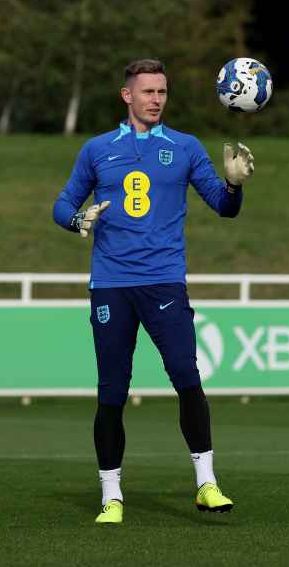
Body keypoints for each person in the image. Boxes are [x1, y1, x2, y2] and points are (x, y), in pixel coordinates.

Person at [52, 59, 253, 524]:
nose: (157, 99)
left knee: (187, 375)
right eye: (148, 91)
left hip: (164, 280)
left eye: (163, 91)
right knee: (112, 392)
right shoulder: (97, 150)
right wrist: (77, 220)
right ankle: (111, 495)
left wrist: (234, 185)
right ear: (127, 96)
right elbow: (62, 204)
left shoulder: (185, 148)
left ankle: (206, 483)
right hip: (111, 286)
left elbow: (224, 208)